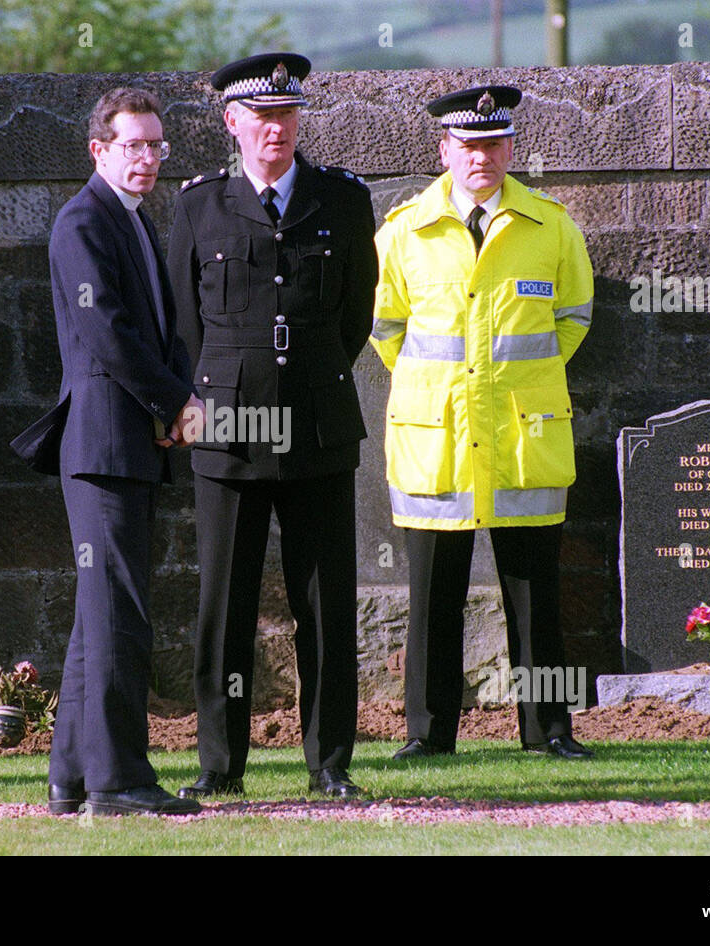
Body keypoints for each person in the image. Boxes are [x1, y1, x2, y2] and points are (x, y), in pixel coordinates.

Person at [168, 53, 378, 799]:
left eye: (287, 115)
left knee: (325, 605)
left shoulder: (344, 202)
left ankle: (330, 764)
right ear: (233, 122)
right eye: (261, 117)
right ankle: (220, 767)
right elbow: (185, 327)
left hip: (318, 430)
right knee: (224, 609)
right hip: (227, 430)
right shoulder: (199, 206)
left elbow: (355, 316)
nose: (276, 129)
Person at [371, 86, 596, 761]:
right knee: (433, 599)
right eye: (467, 145)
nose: (481, 157)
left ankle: (549, 731)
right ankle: (428, 736)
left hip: (522, 439)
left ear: (510, 148)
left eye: (493, 143)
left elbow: (574, 318)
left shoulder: (551, 226)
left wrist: (517, 386)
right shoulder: (404, 230)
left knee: (536, 598)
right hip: (435, 440)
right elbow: (386, 330)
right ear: (443, 150)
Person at [29, 87, 205, 816]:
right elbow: (107, 335)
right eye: (134, 145)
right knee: (119, 614)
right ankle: (119, 782)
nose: (149, 159)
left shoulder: (130, 219)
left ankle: (72, 780)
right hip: (102, 448)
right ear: (98, 150)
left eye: (157, 145)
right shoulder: (83, 221)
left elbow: (157, 333)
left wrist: (168, 406)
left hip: (129, 443)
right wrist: (175, 402)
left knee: (99, 615)